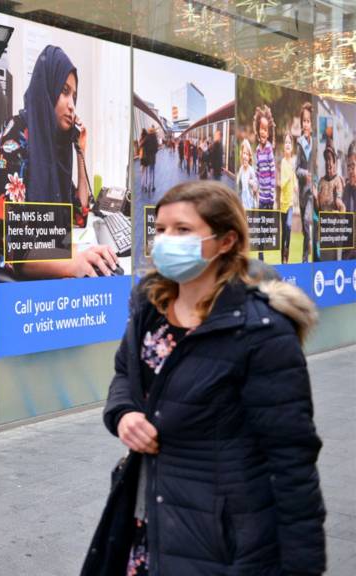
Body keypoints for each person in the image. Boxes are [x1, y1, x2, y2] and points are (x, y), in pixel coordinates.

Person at [83, 180, 325, 575]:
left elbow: (292, 461)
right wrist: (123, 413)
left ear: (226, 241)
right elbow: (126, 375)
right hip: (147, 521)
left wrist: (303, 565)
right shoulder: (150, 307)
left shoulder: (260, 331)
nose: (165, 240)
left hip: (220, 540)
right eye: (160, 230)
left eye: (182, 230)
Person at [0, 45, 118, 280]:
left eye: (75, 96)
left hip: (47, 277)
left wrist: (80, 152)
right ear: (47, 90)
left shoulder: (53, 148)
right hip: (17, 292)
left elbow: (79, 216)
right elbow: (13, 247)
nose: (72, 104)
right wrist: (72, 263)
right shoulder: (16, 138)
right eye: (64, 91)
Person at [253, 105, 276, 261]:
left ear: (269, 133)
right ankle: (261, 255)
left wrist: (273, 193)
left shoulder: (268, 149)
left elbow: (273, 172)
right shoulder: (257, 150)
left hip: (269, 195)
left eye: (266, 130)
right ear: (257, 130)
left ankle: (268, 236)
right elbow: (256, 170)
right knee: (261, 225)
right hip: (261, 195)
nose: (263, 132)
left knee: (267, 227)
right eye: (261, 129)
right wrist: (255, 183)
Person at [317, 142, 345, 261]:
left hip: (335, 231)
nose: (328, 163)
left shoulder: (338, 181)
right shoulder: (321, 182)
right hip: (324, 231)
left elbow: (342, 207)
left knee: (335, 262)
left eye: (330, 159)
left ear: (335, 161)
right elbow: (318, 208)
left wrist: (338, 205)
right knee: (324, 262)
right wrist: (314, 198)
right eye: (326, 160)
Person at [296, 103, 315, 263]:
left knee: (308, 221)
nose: (306, 124)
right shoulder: (299, 143)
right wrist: (305, 174)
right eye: (304, 121)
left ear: (312, 123)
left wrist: (313, 180)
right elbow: (297, 169)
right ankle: (304, 259)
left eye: (308, 121)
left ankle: (306, 261)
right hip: (302, 194)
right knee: (304, 229)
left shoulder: (316, 144)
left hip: (312, 194)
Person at [280, 132, 297, 264]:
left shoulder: (293, 162)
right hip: (282, 203)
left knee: (289, 226)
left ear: (292, 146)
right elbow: (282, 183)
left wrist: (296, 184)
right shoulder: (283, 162)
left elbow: (295, 180)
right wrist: (289, 177)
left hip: (290, 202)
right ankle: (283, 259)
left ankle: (287, 255)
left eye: (289, 143)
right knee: (284, 232)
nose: (287, 144)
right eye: (285, 142)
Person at [236, 139, 258, 210]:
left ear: (249, 157)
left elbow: (256, 186)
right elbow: (238, 187)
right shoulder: (241, 170)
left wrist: (253, 184)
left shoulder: (251, 170)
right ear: (241, 154)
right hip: (243, 206)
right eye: (244, 153)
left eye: (247, 154)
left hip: (250, 206)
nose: (245, 156)